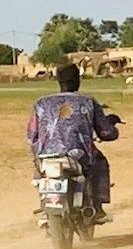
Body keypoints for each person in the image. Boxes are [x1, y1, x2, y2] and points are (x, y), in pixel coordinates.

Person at [28, 61, 121, 220]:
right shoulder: (88, 101)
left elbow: (32, 135)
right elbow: (106, 132)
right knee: (100, 163)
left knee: (41, 171)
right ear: (78, 80)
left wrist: (39, 152)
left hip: (47, 157)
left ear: (58, 80)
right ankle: (97, 206)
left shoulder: (41, 103)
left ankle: (45, 204)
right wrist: (112, 128)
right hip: (79, 155)